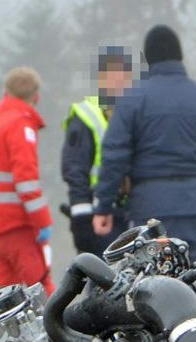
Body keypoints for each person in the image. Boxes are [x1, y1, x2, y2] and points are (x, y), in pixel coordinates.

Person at [92, 25, 196, 261]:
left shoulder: (131, 102)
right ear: (180, 56)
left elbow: (114, 158)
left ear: (147, 58)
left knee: (149, 286)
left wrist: (104, 206)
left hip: (148, 208)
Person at [0, 67, 54, 293]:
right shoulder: (20, 124)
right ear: (36, 96)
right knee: (41, 290)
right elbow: (26, 180)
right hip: (18, 225)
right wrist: (42, 221)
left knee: (2, 296)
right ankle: (54, 330)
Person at [61, 47, 130, 257]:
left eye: (124, 76)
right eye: (113, 76)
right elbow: (75, 168)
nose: (119, 82)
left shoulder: (135, 112)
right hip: (99, 215)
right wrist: (81, 217)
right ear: (101, 78)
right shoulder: (86, 116)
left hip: (133, 213)